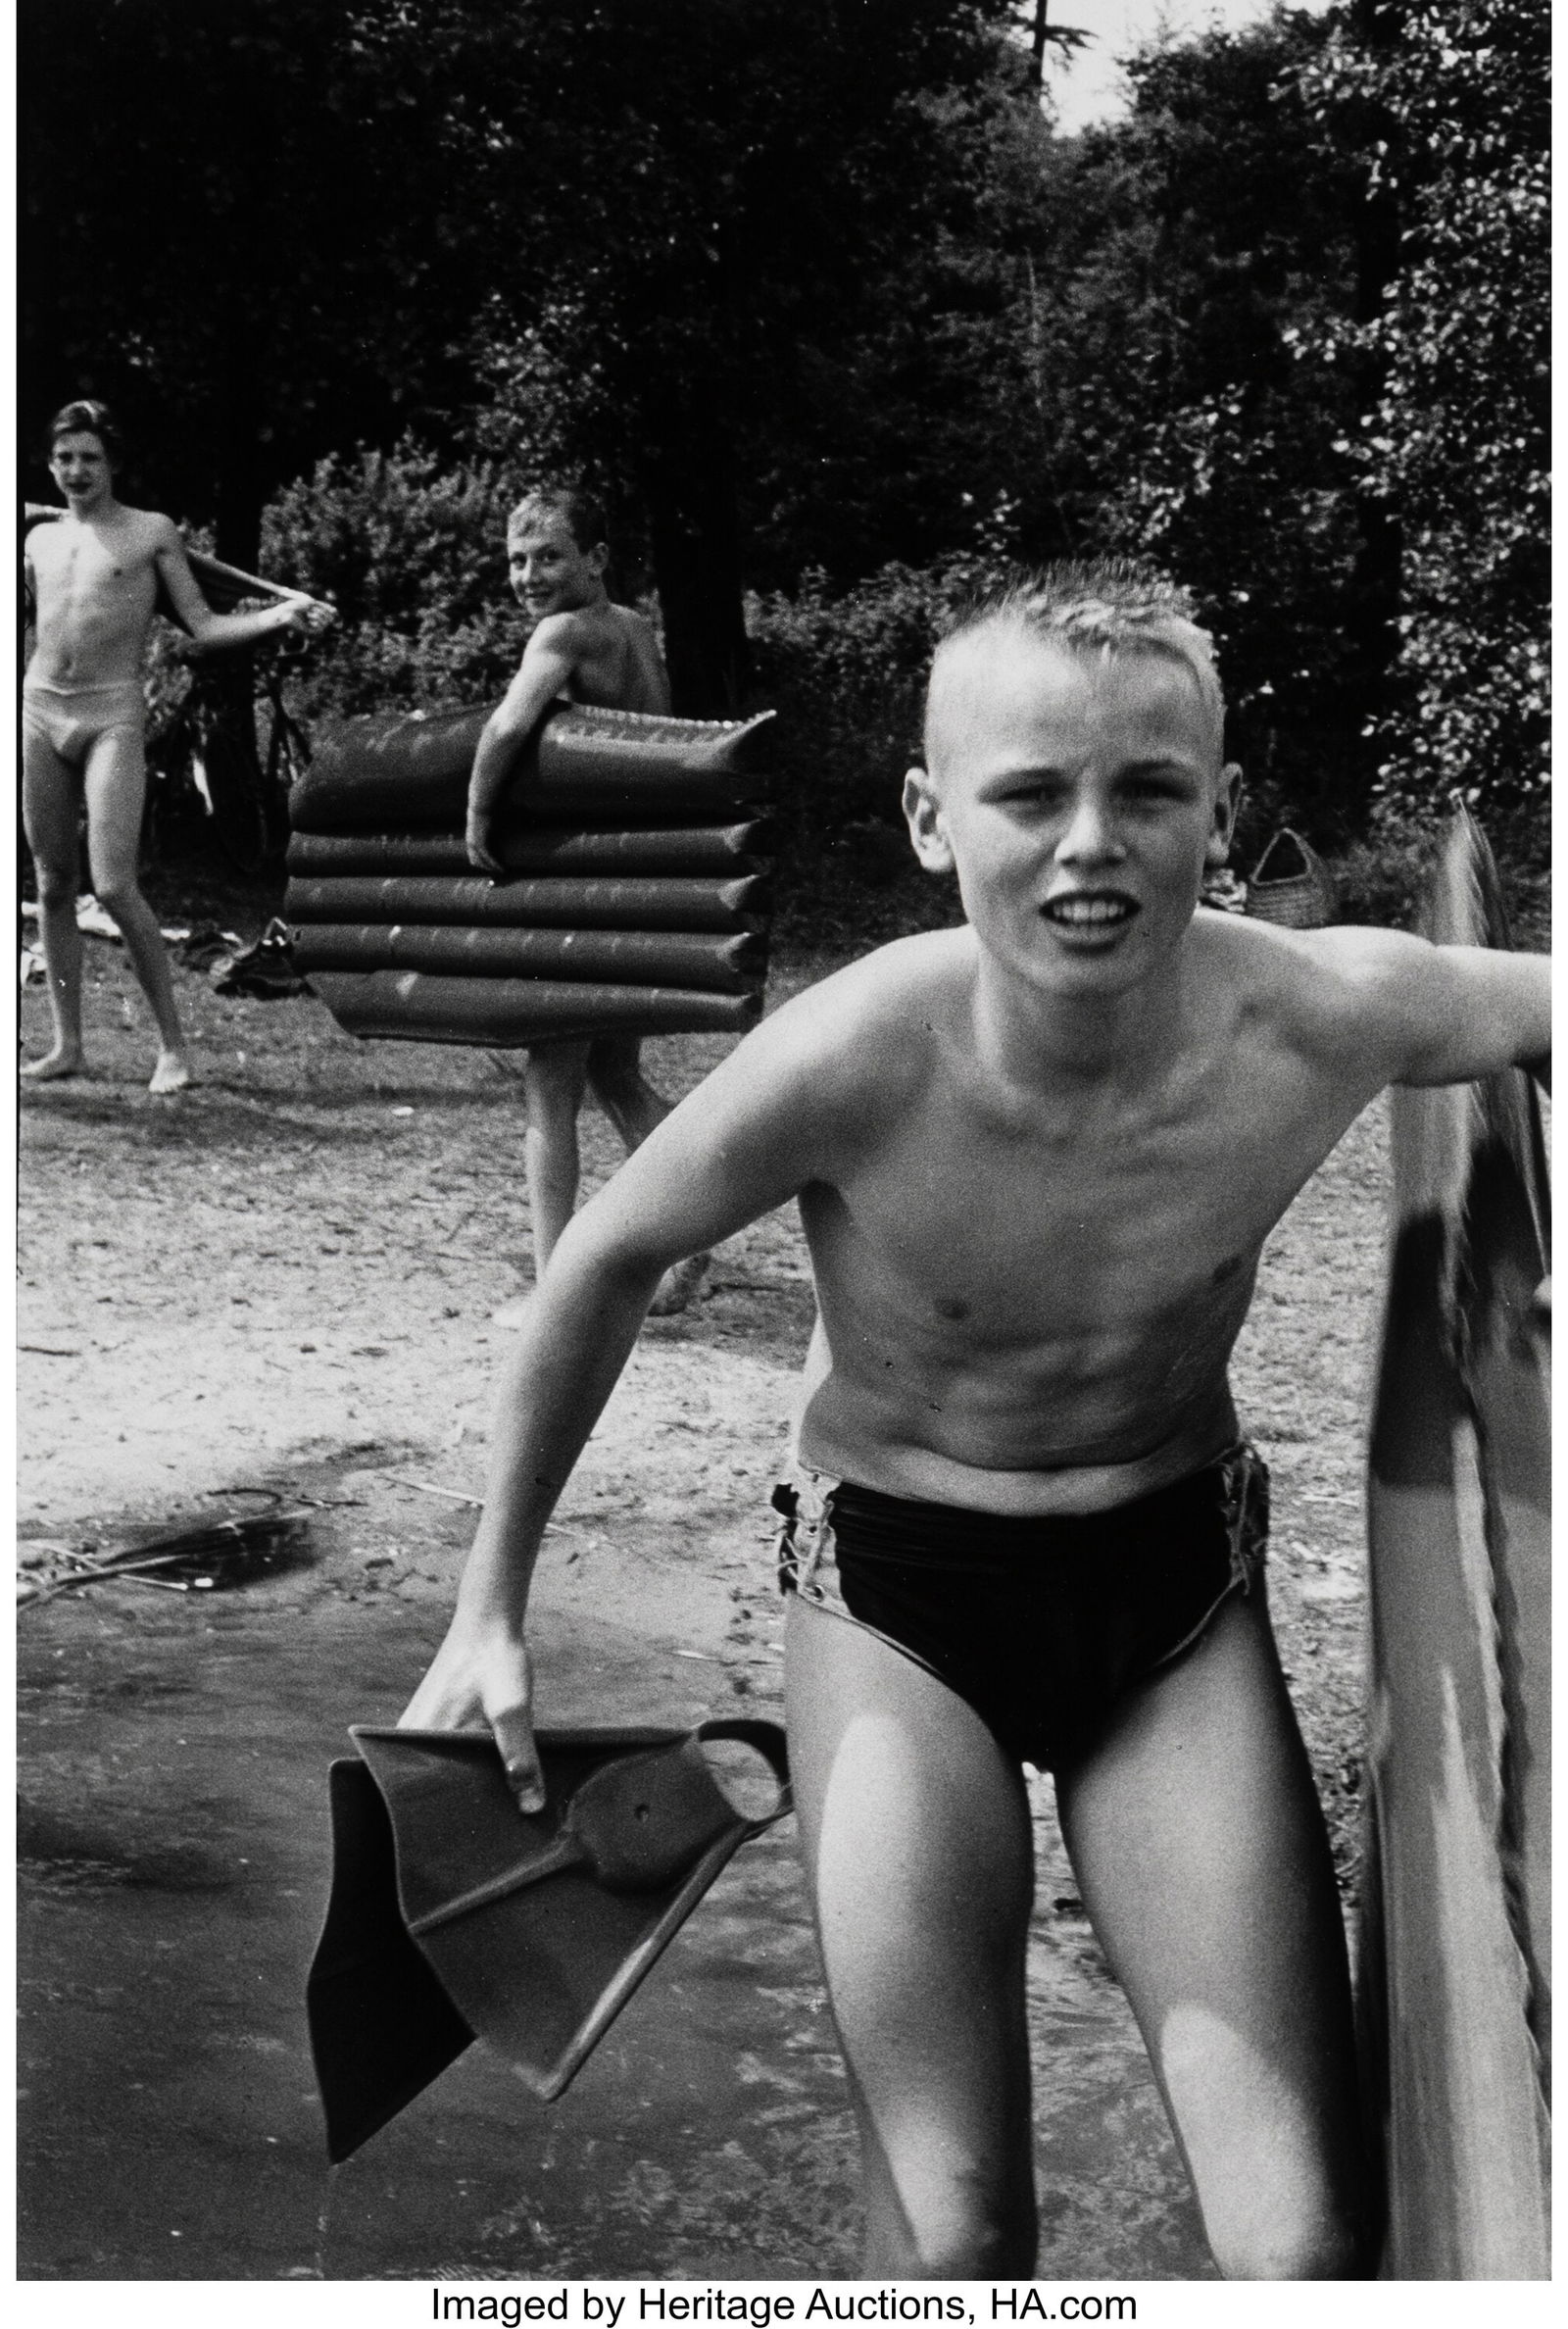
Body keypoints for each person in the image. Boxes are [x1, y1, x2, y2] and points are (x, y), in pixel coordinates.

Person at [402, 561, 1550, 2279]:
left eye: (1147, 790)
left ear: (1220, 810)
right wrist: (490, 1607)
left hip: (1170, 1606)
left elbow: (1549, 1003)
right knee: (953, 2243)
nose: (1090, 842)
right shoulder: (861, 1050)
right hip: (897, 1608)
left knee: (1302, 2246)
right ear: (938, 821)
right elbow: (603, 1261)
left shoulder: (1317, 1016)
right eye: (1032, 795)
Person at [23, 399, 330, 1094]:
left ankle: (173, 1049)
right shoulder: (34, 540)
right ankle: (68, 1044)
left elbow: (204, 624)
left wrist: (279, 614)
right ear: (49, 462)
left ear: (114, 463)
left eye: (90, 458)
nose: (76, 470)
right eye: (64, 458)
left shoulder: (149, 533)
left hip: (110, 717)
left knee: (114, 883)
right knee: (51, 884)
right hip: (39, 711)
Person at [465, 483, 707, 1313]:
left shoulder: (562, 633)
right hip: (644, 877)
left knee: (549, 1081)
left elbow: (505, 728)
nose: (529, 575)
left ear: (595, 559)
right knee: (615, 1073)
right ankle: (699, 1225)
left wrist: (477, 814)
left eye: (549, 556)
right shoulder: (636, 628)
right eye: (516, 561)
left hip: (587, 882)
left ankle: (553, 1292)